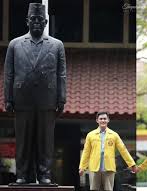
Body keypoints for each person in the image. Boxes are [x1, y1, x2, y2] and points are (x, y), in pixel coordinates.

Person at [4, 3, 66, 184]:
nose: (37, 22)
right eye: (33, 19)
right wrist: (8, 98)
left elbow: (61, 74)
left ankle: (44, 174)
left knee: (45, 140)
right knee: (23, 139)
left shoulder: (57, 45)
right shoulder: (14, 44)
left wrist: (61, 98)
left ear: (46, 22)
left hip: (47, 99)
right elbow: (9, 74)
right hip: (22, 99)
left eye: (40, 20)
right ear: (27, 21)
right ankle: (22, 175)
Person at [79, 112, 136, 191]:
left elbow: (123, 150)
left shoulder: (114, 135)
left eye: (105, 119)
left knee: (108, 189)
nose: (103, 120)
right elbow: (86, 152)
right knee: (94, 189)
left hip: (109, 168)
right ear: (97, 120)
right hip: (94, 168)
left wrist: (132, 164)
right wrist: (82, 167)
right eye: (101, 119)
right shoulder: (90, 135)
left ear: (108, 120)